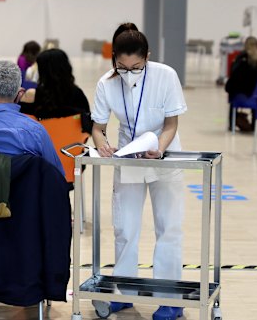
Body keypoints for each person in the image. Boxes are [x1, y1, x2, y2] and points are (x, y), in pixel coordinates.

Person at [90, 23, 187, 320]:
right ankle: (125, 291)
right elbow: (97, 127)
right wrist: (102, 143)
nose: (129, 72)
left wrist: (159, 146)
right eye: (122, 67)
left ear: (147, 56)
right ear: (114, 59)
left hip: (164, 156)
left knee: (168, 227)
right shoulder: (107, 83)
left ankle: (170, 298)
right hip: (128, 155)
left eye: (136, 67)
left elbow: (171, 124)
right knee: (125, 228)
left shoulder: (166, 75)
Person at [18, 48, 92, 133]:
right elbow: (87, 125)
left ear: (43, 71)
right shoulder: (78, 94)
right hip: (72, 144)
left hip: (41, 144)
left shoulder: (32, 95)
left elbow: (21, 126)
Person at [225, 36, 257, 133]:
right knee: (255, 90)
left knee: (234, 92)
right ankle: (253, 124)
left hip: (243, 97)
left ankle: (232, 123)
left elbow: (235, 76)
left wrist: (228, 88)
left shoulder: (242, 58)